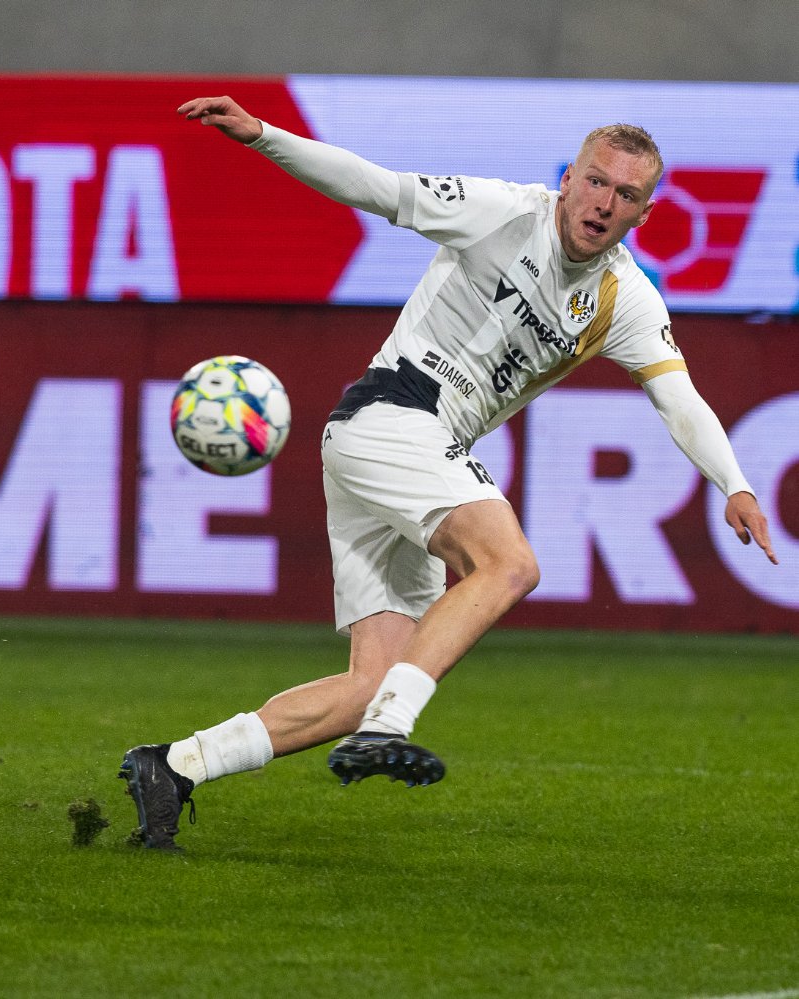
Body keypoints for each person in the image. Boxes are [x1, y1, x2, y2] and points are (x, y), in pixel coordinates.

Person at [119, 96, 778, 850]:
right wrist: (264, 135)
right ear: (568, 180)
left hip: (401, 448)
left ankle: (174, 766)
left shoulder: (624, 298)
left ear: (645, 213)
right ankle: (389, 728)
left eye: (626, 194)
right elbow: (376, 187)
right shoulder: (502, 214)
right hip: (391, 416)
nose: (604, 202)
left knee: (368, 682)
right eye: (596, 181)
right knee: (510, 564)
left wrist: (734, 483)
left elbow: (678, 397)